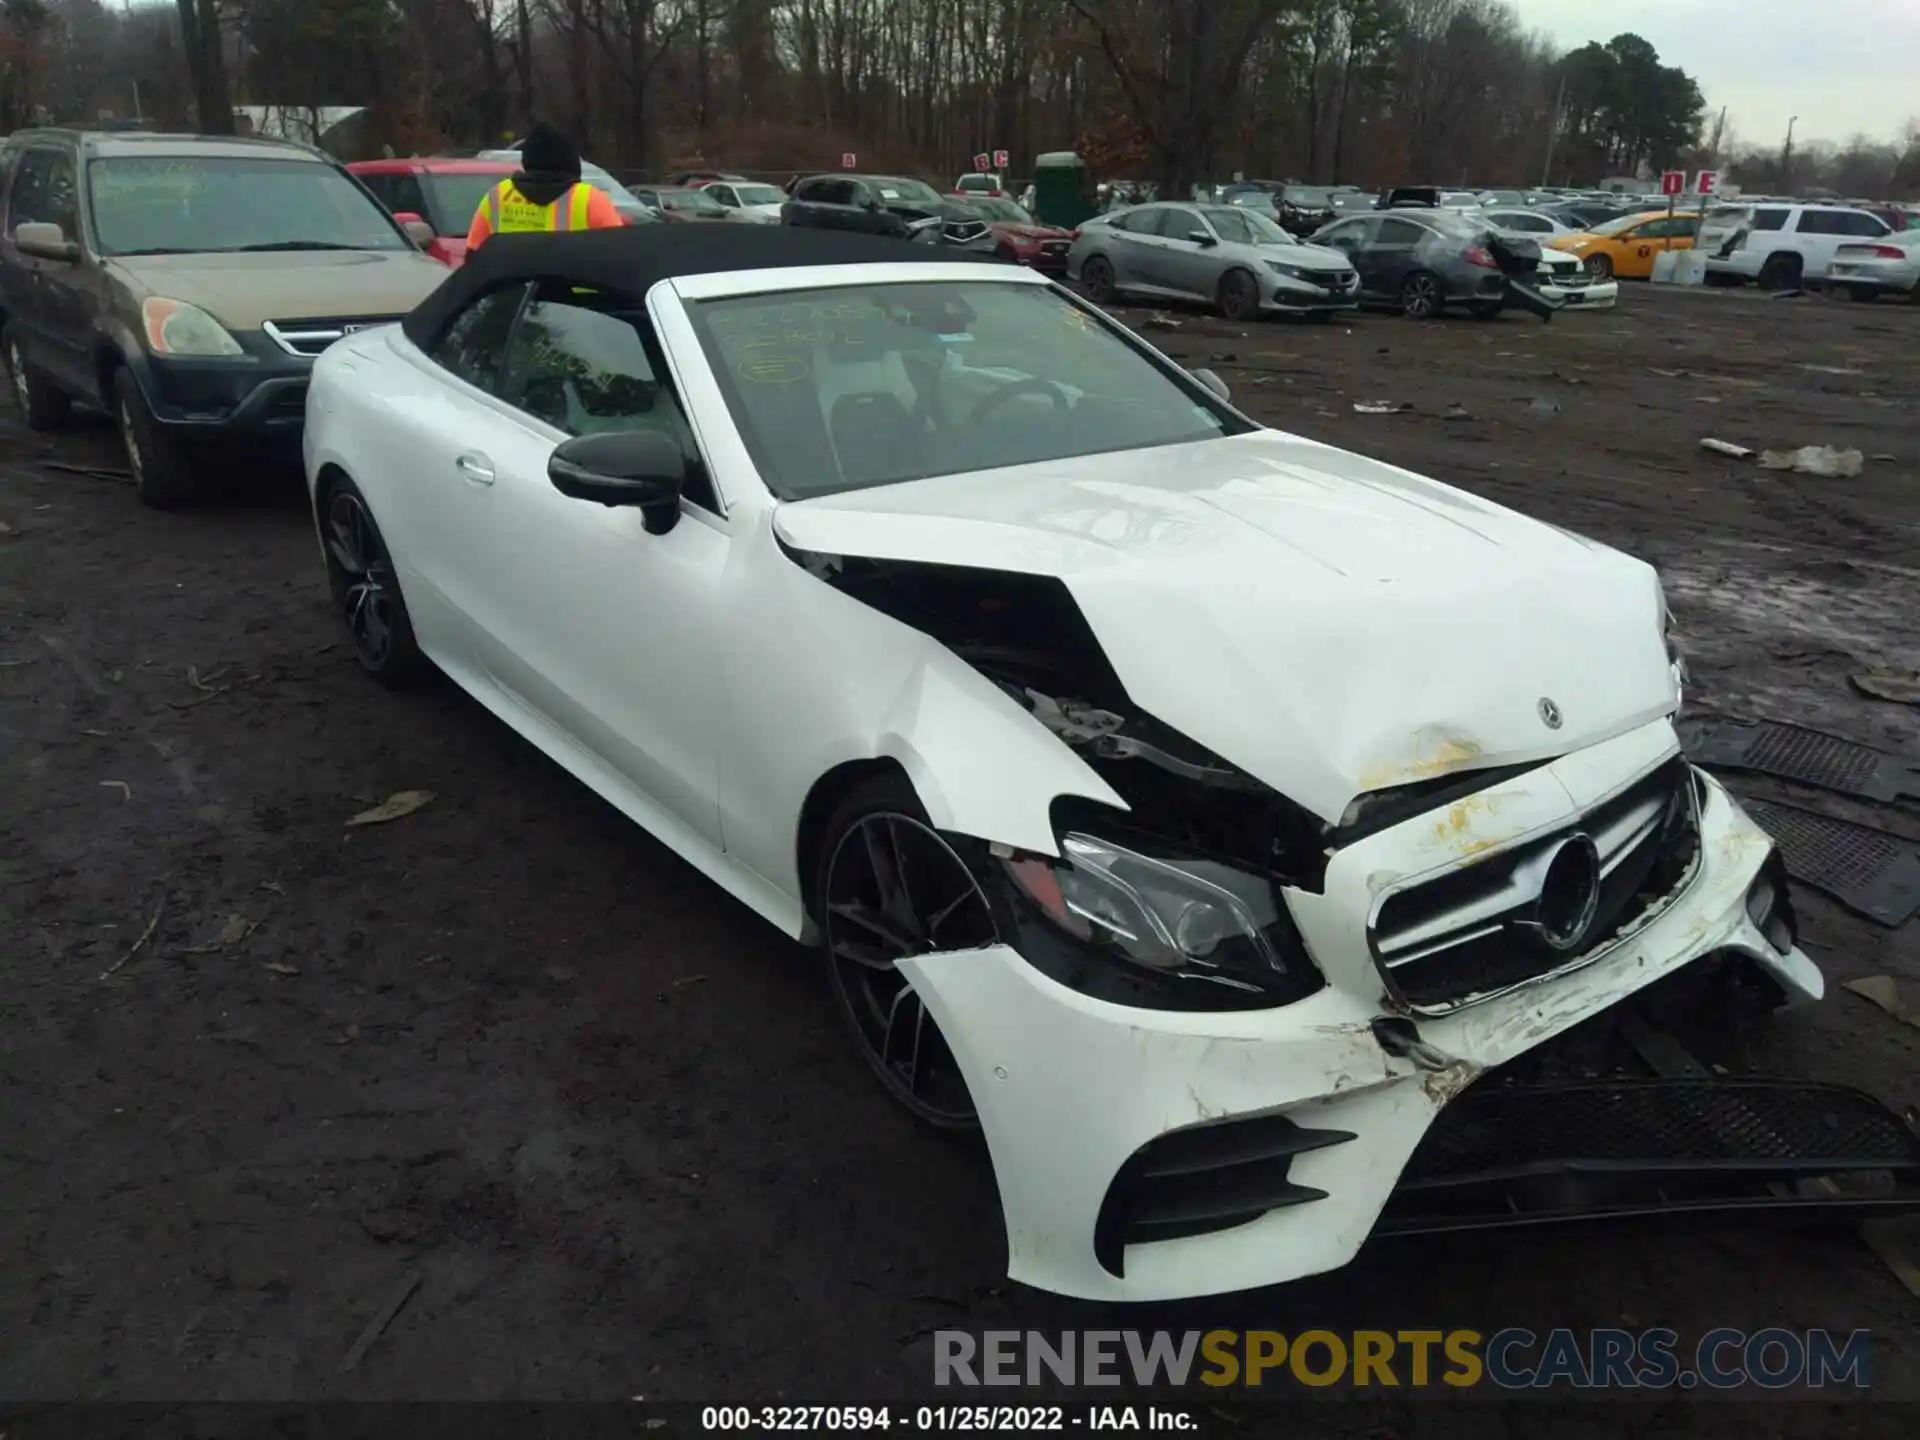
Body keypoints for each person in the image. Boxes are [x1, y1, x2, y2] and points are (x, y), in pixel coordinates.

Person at [465, 121, 625, 252]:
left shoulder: (498, 195)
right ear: (570, 160)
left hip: (510, 289)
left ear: (527, 159)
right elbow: (619, 251)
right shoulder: (590, 199)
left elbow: (473, 252)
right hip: (574, 291)